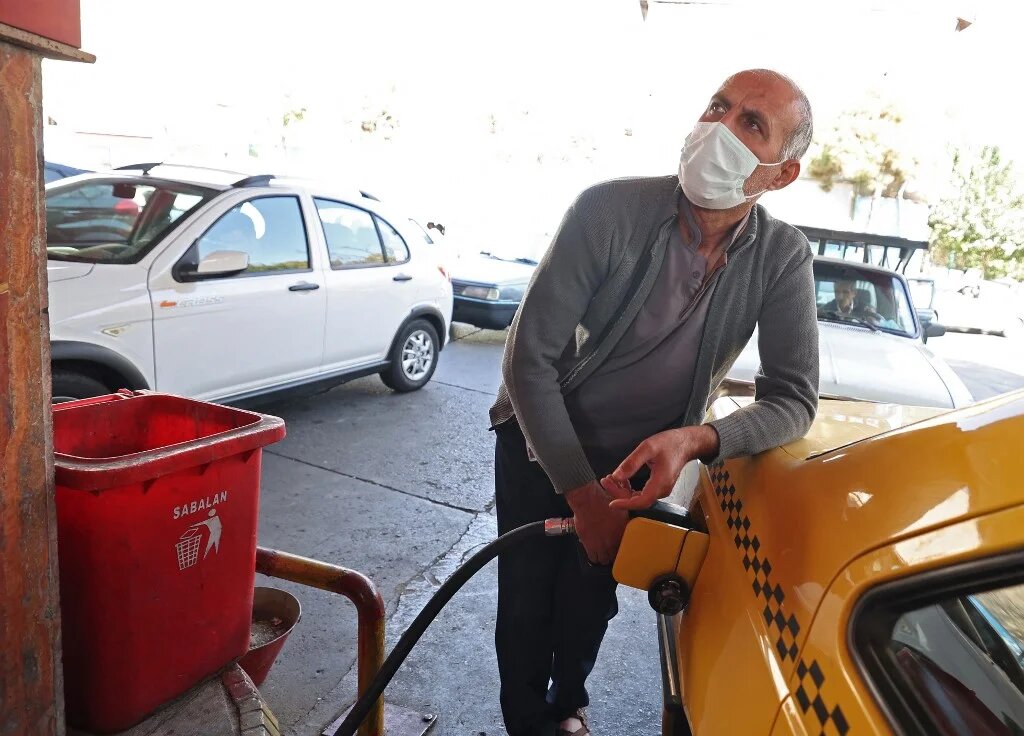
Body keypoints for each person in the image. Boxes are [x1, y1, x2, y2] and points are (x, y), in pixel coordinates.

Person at [489, 69, 820, 736]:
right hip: (539, 438)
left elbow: (794, 399)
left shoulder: (782, 257)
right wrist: (583, 497)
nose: (719, 128)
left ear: (782, 174)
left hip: (635, 468)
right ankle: (524, 723)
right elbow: (529, 359)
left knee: (590, 598)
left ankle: (568, 706)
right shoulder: (607, 210)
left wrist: (693, 440)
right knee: (525, 599)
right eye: (718, 106)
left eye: (751, 123)